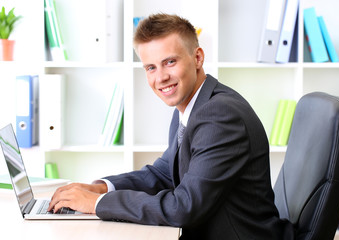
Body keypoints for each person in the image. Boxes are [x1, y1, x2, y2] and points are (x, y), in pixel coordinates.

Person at [48, 13, 293, 239]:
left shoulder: (220, 115)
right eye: (151, 67)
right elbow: (164, 173)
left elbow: (184, 208)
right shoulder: (191, 106)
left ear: (197, 58)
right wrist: (100, 187)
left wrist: (96, 203)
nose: (161, 77)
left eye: (170, 62)